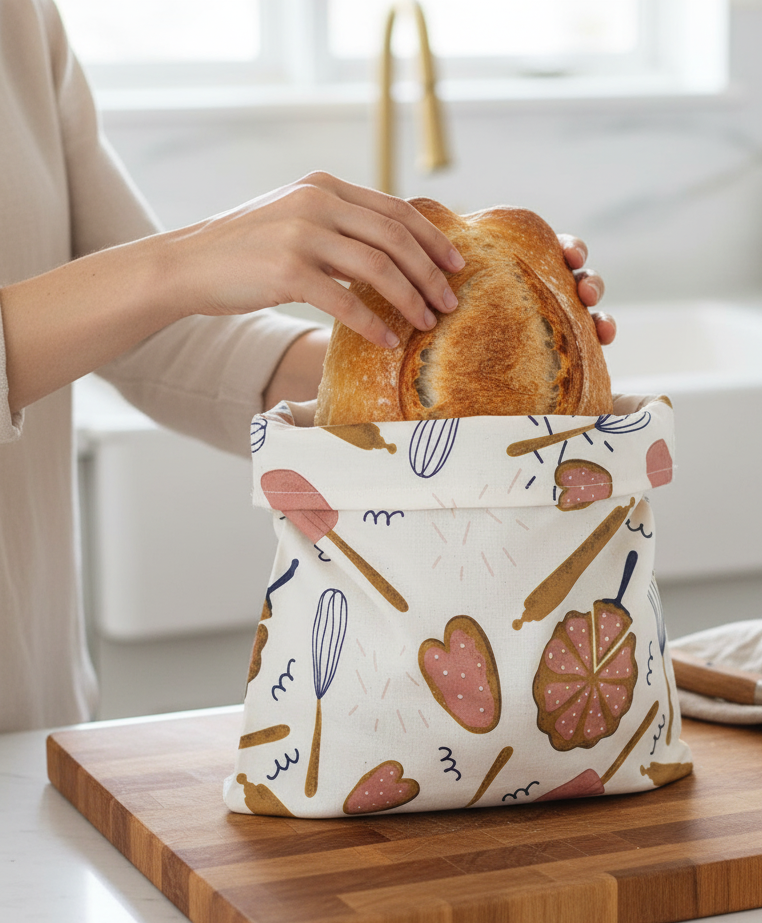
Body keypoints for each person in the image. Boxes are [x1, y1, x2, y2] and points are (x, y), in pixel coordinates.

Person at [0, 0, 616, 732]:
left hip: (37, 710)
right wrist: (179, 263)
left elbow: (149, 334)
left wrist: (436, 368)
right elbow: (153, 288)